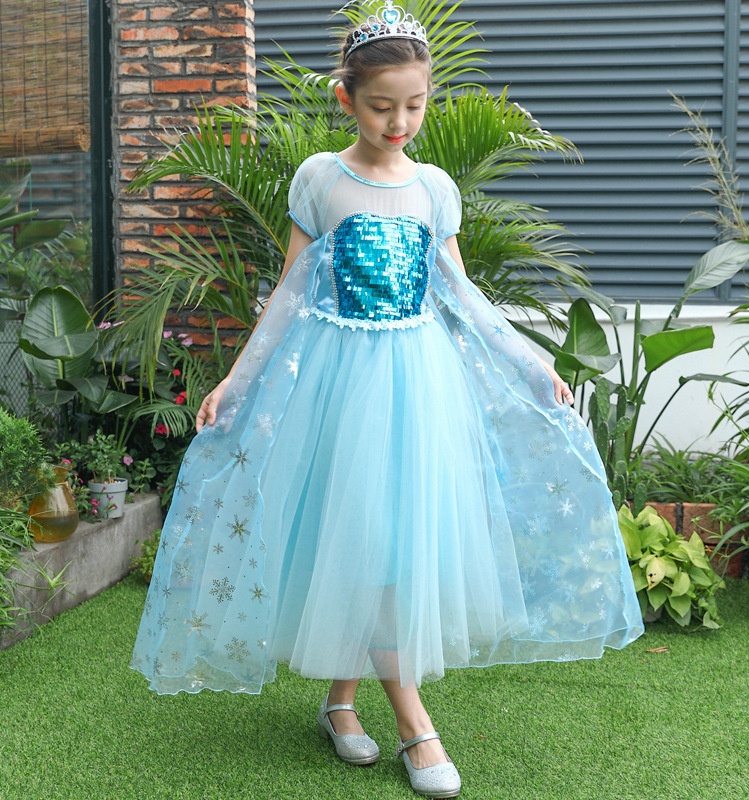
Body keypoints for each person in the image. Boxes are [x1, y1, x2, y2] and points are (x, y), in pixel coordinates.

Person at [131, 3, 643, 797]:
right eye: (380, 107)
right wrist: (236, 379)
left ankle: (341, 701)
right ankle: (415, 725)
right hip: (339, 386)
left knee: (397, 545)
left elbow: (461, 293)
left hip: (419, 383)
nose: (398, 122)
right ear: (347, 99)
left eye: (414, 105)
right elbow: (290, 293)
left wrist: (530, 359)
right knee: (365, 538)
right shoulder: (321, 180)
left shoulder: (434, 188)